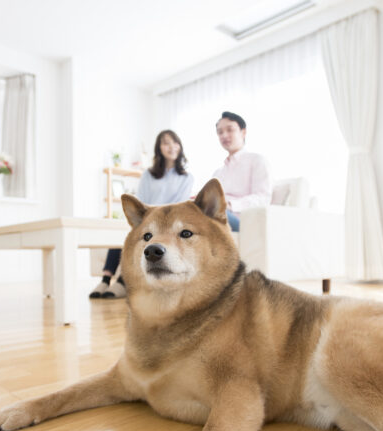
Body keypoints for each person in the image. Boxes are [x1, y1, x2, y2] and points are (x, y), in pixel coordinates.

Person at [90, 130, 194, 299]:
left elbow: (179, 205)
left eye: (175, 142)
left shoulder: (187, 177)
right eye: (166, 143)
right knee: (124, 233)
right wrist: (148, 215)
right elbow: (142, 200)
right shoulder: (148, 174)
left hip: (169, 221)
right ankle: (105, 279)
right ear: (159, 148)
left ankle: (122, 282)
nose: (171, 147)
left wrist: (157, 213)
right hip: (148, 217)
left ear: (180, 146)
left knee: (136, 238)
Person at [212, 111, 272, 232]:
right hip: (218, 216)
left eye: (230, 130)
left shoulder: (257, 161)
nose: (224, 135)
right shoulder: (218, 173)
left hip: (242, 221)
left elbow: (262, 198)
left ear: (243, 132)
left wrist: (229, 205)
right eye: (220, 132)